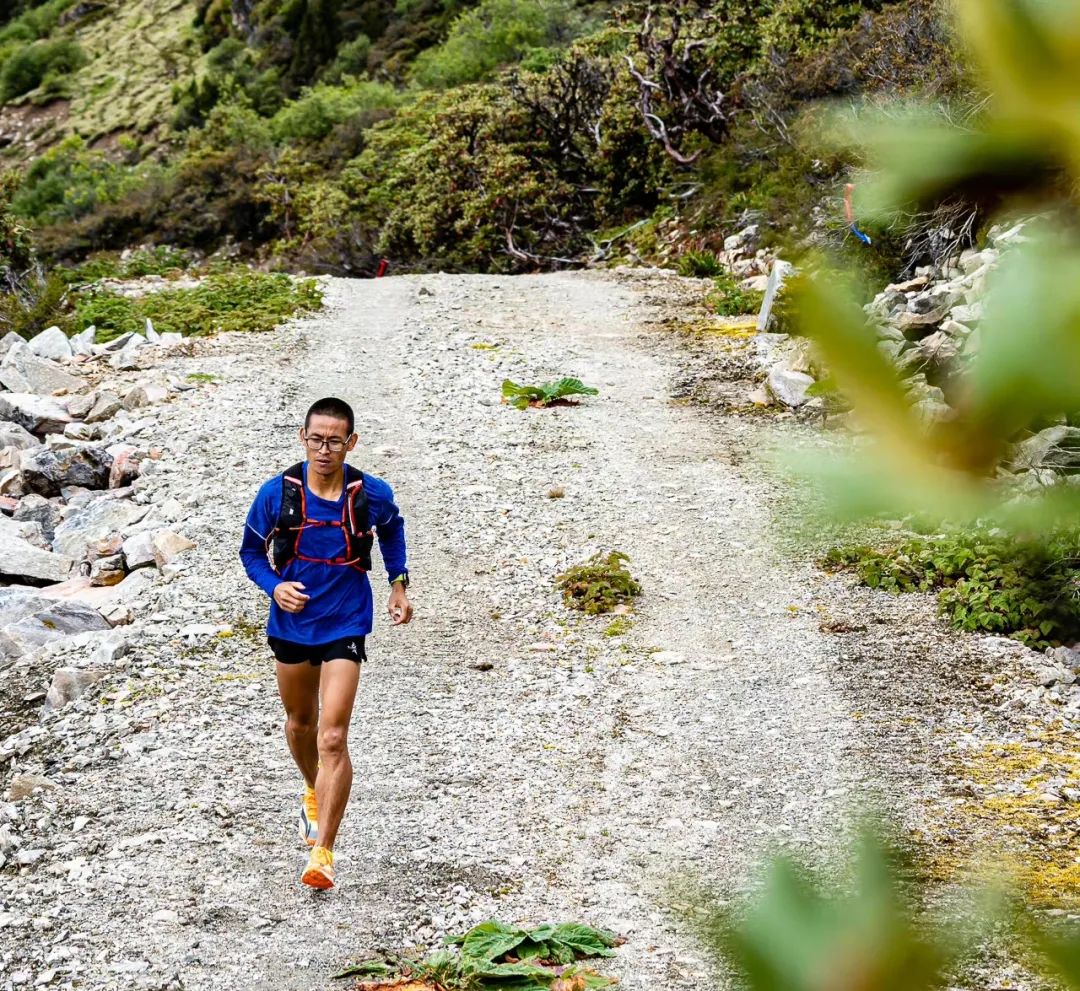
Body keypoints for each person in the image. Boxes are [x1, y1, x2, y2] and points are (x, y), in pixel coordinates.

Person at [239, 396, 412, 890]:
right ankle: (311, 792)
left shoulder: (368, 494)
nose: (324, 449)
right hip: (292, 622)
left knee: (333, 735)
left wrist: (398, 583)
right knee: (300, 724)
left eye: (335, 441)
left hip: (346, 619)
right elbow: (250, 551)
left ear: (351, 442)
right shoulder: (276, 494)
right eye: (316, 439)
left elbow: (392, 528)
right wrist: (274, 586)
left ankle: (323, 853)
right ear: (303, 437)